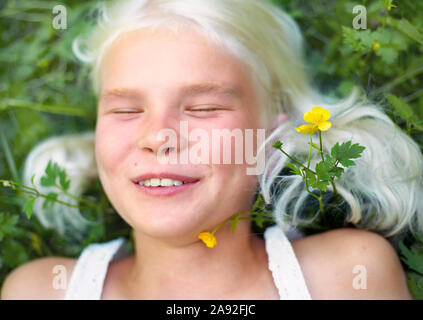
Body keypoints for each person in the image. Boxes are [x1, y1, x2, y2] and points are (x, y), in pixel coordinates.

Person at [2, 0, 421, 300]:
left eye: (203, 108)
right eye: (127, 109)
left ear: (272, 133)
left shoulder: (347, 276)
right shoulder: (40, 290)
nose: (157, 136)